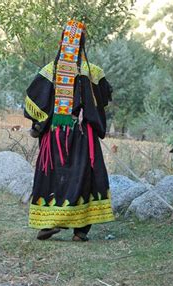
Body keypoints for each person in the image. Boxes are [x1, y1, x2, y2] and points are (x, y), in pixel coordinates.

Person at [24, 20, 115, 241]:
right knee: (84, 177)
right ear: (83, 43)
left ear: (62, 42)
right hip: (84, 135)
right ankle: (80, 231)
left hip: (55, 135)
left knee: (54, 176)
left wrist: (38, 126)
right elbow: (105, 98)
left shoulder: (49, 71)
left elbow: (33, 102)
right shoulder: (93, 72)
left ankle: (50, 222)